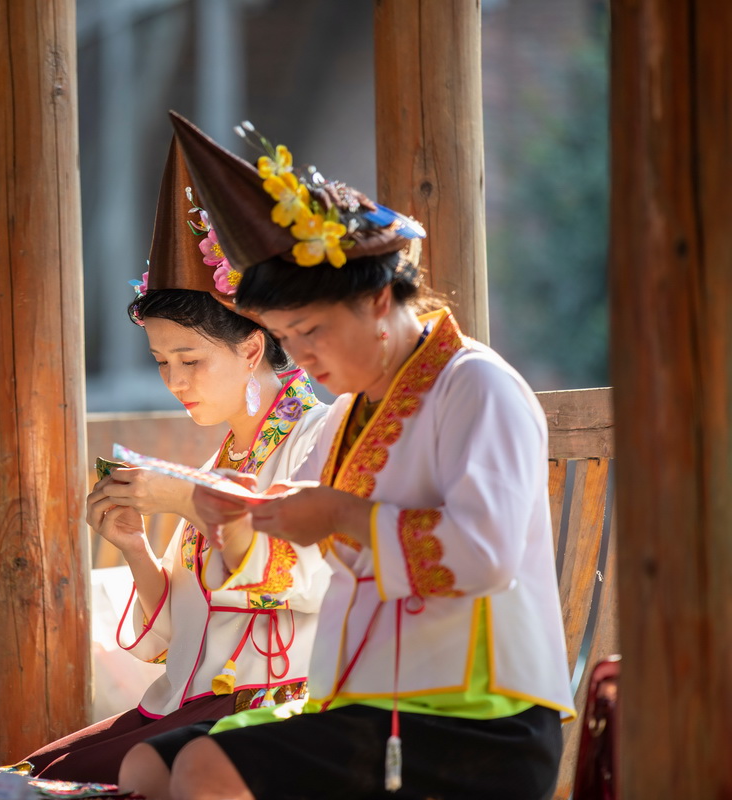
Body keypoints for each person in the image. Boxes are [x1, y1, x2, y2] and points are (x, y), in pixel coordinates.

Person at [117, 114, 575, 800]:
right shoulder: (348, 417)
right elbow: (293, 552)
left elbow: (485, 556)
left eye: (311, 331)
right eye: (287, 337)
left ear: (377, 300)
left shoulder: (477, 386)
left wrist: (339, 515)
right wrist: (235, 514)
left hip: (476, 713)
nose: (300, 358)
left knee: (207, 769)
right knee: (147, 769)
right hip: (368, 698)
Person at [22, 137, 331, 784]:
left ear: (252, 349)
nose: (175, 381)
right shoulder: (225, 454)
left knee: (55, 785)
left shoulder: (317, 436)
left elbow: (310, 577)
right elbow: (171, 638)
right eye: (162, 362)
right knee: (31, 773)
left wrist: (187, 500)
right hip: (183, 701)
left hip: (263, 705)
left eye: (190, 360)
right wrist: (135, 547)